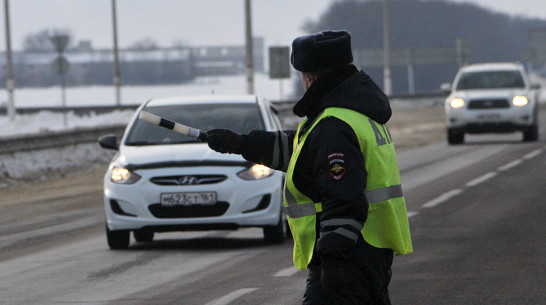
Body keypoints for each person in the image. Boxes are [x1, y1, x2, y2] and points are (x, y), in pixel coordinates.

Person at [206, 30, 412, 305]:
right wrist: (240, 143)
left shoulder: (333, 125)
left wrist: (333, 260)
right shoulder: (353, 113)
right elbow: (302, 154)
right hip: (367, 250)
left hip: (348, 255)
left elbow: (343, 196)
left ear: (310, 78)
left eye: (302, 76)